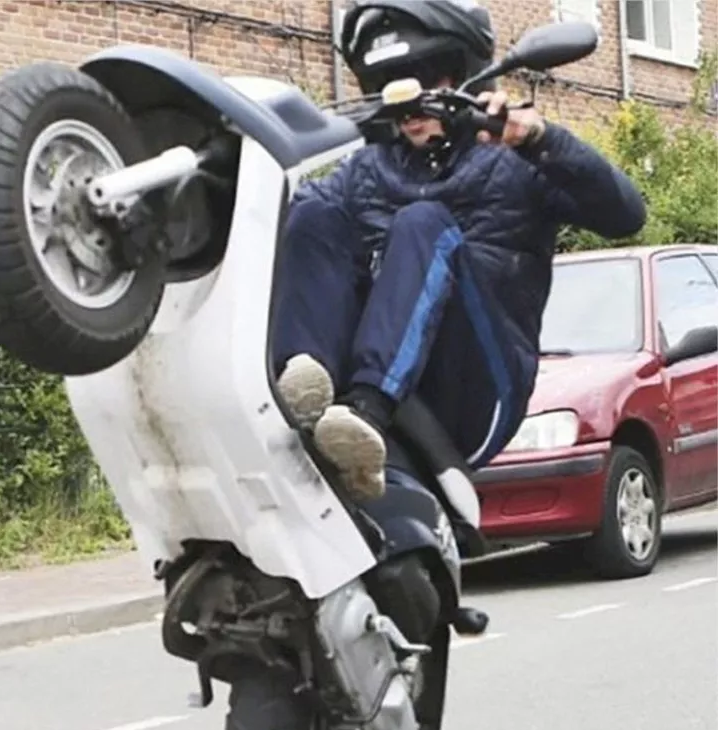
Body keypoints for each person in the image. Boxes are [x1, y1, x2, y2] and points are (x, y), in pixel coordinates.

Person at [271, 0, 646, 502]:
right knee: (310, 215)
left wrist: (538, 139)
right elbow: (293, 226)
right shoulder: (365, 170)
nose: (410, 110)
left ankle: (368, 412)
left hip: (478, 388)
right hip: (376, 379)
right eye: (393, 88)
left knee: (423, 223)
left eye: (428, 82)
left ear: (466, 76)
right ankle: (302, 389)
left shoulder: (517, 160)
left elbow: (626, 215)